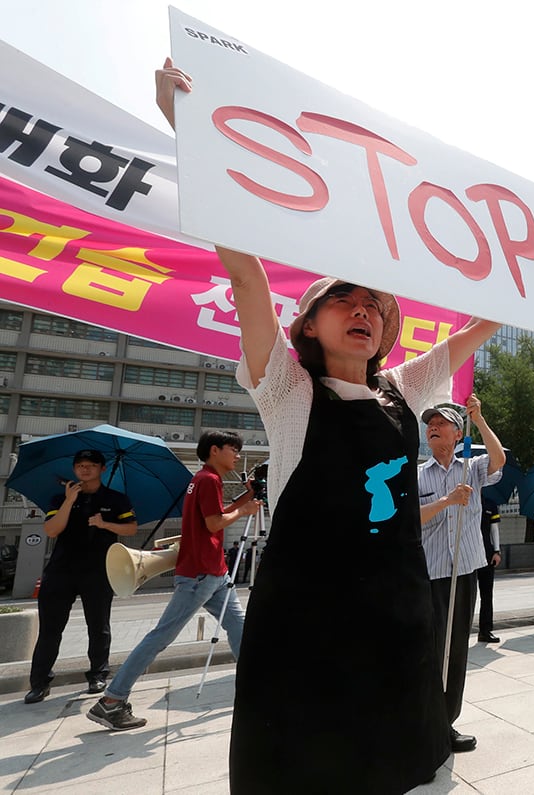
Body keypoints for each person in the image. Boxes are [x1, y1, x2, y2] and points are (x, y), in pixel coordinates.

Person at [157, 61, 500, 793]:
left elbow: (481, 326)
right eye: (342, 296)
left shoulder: (401, 391)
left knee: (409, 772)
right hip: (307, 633)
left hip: (400, 628)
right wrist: (189, 133)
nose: (363, 308)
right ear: (308, 322)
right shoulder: (287, 389)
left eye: (376, 302)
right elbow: (246, 273)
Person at [88, 431, 260, 730]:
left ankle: (257, 686)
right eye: (233, 450)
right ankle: (112, 701)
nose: (236, 456)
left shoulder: (202, 480)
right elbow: (215, 523)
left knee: (238, 626)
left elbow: (216, 516)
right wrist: (245, 509)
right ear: (215, 450)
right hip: (200, 574)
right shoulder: (208, 480)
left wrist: (247, 497)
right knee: (160, 637)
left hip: (214, 574)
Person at [418, 397, 505, 753]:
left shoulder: (472, 467)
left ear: (457, 434)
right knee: (430, 651)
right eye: (430, 424)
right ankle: (424, 724)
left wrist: (480, 419)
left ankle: (446, 724)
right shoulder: (417, 473)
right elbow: (410, 518)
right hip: (431, 574)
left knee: (455, 652)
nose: (433, 428)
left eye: (441, 423)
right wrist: (446, 501)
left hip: (464, 570)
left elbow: (499, 460)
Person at [25, 450, 137, 704]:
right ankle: (39, 683)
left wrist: (105, 524)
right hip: (60, 570)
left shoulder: (116, 499)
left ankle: (97, 674)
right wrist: (69, 500)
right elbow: (52, 530)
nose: (85, 470)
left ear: (103, 469)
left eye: (91, 465)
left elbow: (131, 528)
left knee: (98, 626)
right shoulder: (59, 498)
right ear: (74, 469)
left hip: (98, 571)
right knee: (50, 629)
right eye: (80, 466)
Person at [477, 495, 502, 644]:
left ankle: (485, 630)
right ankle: (460, 631)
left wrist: (497, 551)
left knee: (487, 595)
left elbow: (494, 529)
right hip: (467, 555)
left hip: (487, 554)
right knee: (465, 597)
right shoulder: (462, 500)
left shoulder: (490, 504)